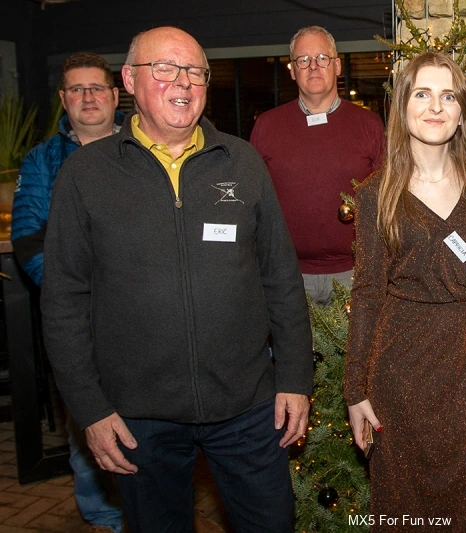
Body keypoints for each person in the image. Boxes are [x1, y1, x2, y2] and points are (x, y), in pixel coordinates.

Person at [41, 27, 313, 533]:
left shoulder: (242, 161)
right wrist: (90, 410)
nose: (183, 82)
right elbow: (63, 303)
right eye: (165, 68)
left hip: (248, 405)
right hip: (138, 416)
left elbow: (280, 277)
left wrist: (295, 379)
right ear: (129, 80)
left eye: (194, 71)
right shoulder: (86, 175)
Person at [344, 52, 466, 531]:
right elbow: (367, 293)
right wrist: (355, 389)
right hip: (401, 372)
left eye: (448, 96)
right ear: (403, 105)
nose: (436, 106)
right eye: (422, 94)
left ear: (461, 110)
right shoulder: (377, 193)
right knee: (407, 505)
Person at [11, 51, 125, 533]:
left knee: (152, 422)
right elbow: (28, 241)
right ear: (63, 99)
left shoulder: (145, 148)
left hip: (141, 314)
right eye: (77, 90)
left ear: (115, 95)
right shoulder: (42, 162)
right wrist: (74, 295)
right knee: (86, 420)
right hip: (77, 320)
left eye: (96, 88)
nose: (88, 97)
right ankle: (103, 517)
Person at [250, 26, 385, 306]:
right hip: (287, 275)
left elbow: (387, 197)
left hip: (355, 275)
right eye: (303, 60)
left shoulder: (368, 125)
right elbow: (252, 201)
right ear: (292, 70)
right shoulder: (267, 126)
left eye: (322, 58)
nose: (313, 66)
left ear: (337, 66)